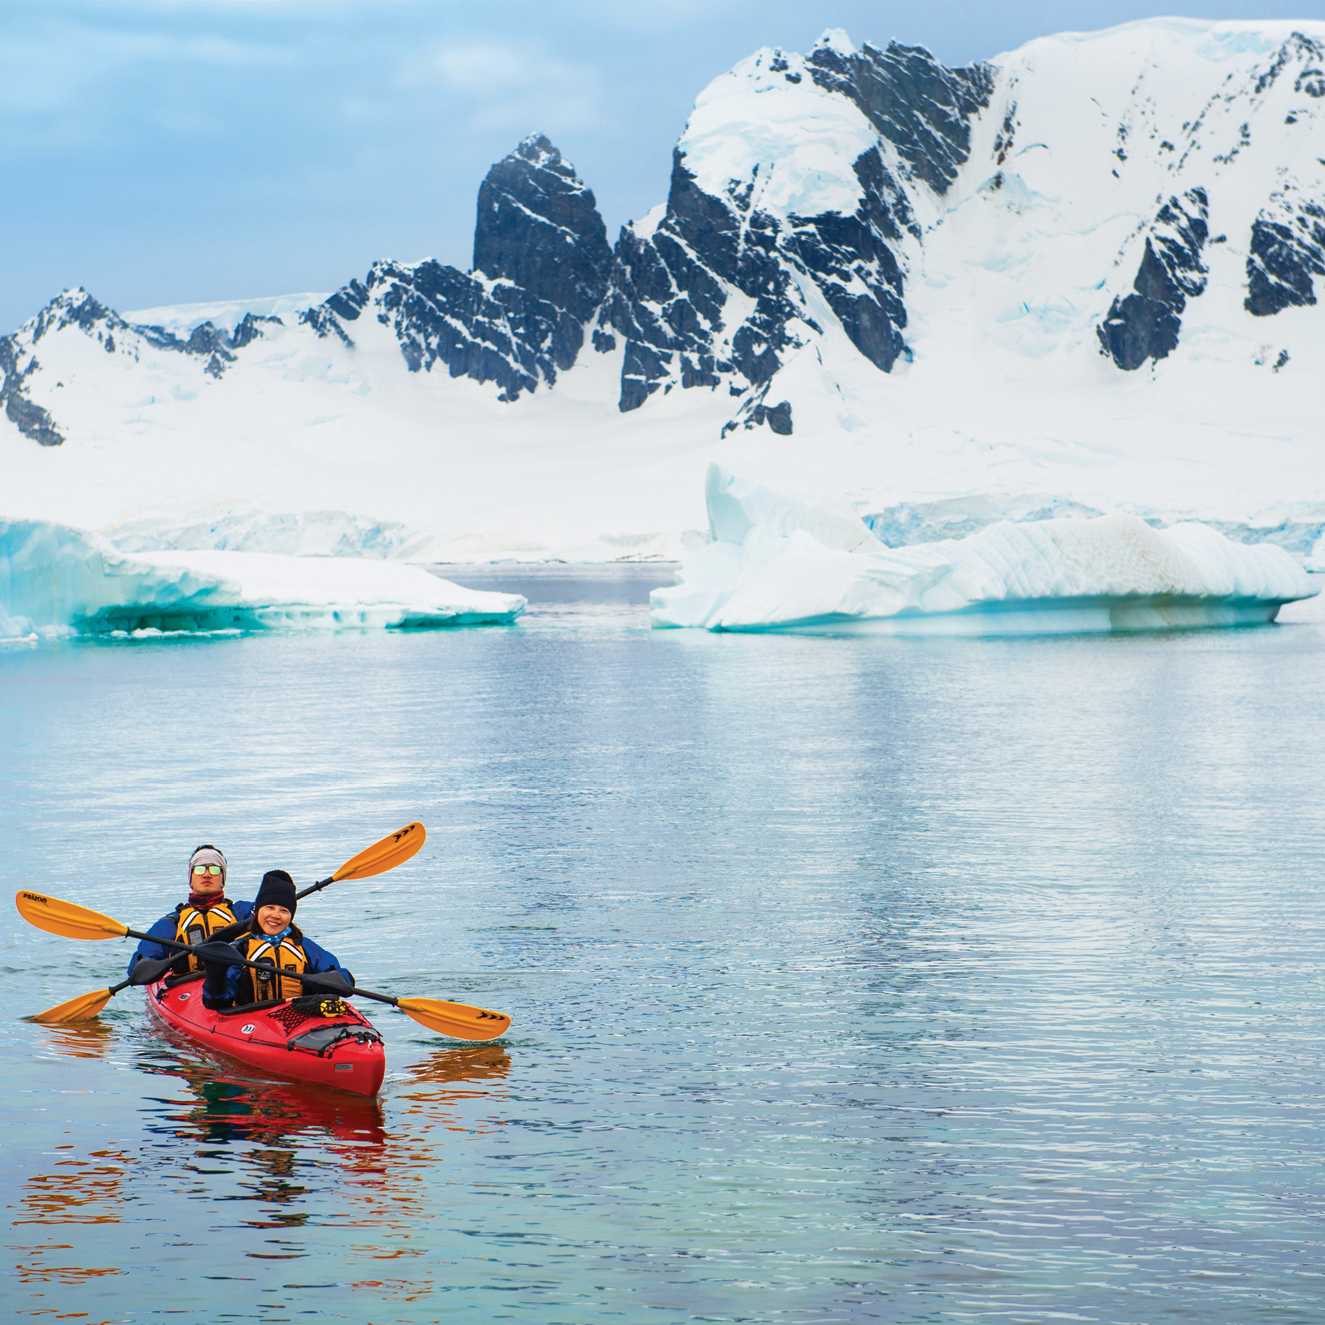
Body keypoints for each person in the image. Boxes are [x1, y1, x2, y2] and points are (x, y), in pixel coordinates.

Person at [202, 869, 353, 1010]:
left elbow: (344, 977)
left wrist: (329, 980)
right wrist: (216, 975)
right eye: (269, 907)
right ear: (258, 910)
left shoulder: (303, 945)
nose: (275, 915)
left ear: (291, 916)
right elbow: (218, 1001)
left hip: (299, 1017)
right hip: (253, 1021)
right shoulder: (241, 948)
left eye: (284, 910)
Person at [127, 845, 254, 977]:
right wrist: (146, 964)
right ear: (191, 879)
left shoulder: (242, 913)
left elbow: (270, 909)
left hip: (233, 984)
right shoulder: (172, 923)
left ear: (223, 879)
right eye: (199, 869)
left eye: (215, 869)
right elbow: (134, 969)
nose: (207, 874)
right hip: (186, 986)